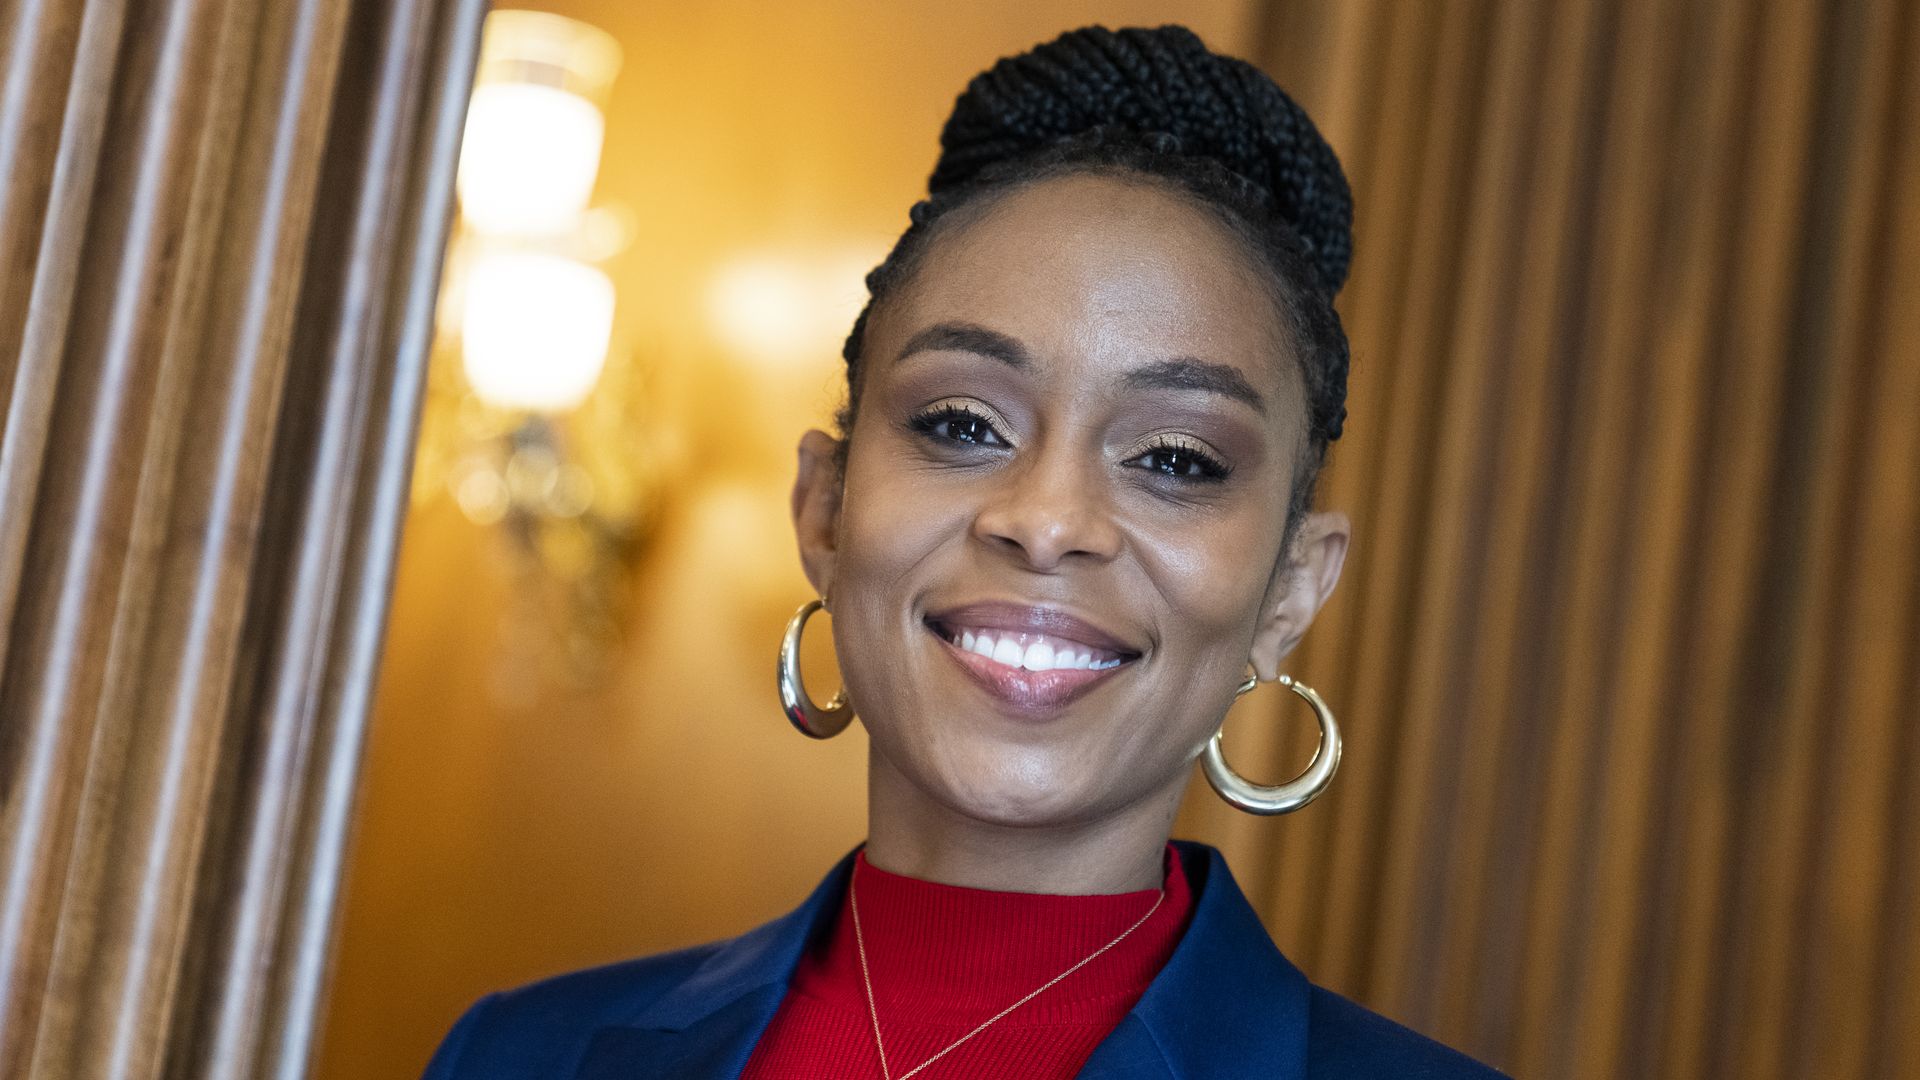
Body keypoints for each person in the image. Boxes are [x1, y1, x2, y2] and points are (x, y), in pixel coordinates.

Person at [422, 25, 1506, 1079]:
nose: (1045, 519)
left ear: (1290, 590)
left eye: (1175, 458)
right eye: (962, 425)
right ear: (825, 510)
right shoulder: (518, 1056)